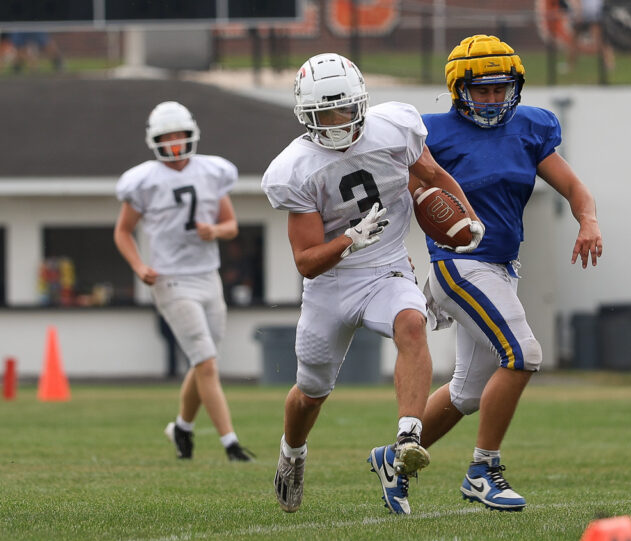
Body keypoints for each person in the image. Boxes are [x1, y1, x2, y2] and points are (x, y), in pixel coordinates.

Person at [260, 52, 483, 514]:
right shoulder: (295, 168)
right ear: (306, 115)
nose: (337, 122)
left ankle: (407, 437)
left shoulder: (395, 127)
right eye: (324, 113)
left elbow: (434, 176)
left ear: (361, 102)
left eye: (343, 109)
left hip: (386, 268)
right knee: (310, 391)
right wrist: (348, 240)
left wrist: (469, 218)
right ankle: (292, 454)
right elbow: (305, 262)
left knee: (412, 322)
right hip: (332, 284)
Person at [409, 34, 602, 513]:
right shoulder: (432, 133)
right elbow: (408, 197)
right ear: (459, 90)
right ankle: (483, 469)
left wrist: (588, 220)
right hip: (458, 264)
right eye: (483, 90)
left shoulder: (530, 126)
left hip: (501, 265)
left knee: (467, 392)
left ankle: (394, 457)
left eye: (501, 89)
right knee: (523, 354)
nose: (494, 99)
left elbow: (575, 186)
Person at [114, 101, 254, 462]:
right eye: (166, 137)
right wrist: (138, 265)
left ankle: (182, 427)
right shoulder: (144, 180)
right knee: (206, 362)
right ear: (154, 140)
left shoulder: (212, 171)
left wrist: (214, 230)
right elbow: (123, 232)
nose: (174, 143)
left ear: (191, 135)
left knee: (203, 360)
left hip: (208, 276)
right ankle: (230, 444)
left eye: (179, 135)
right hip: (171, 279)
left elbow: (231, 225)